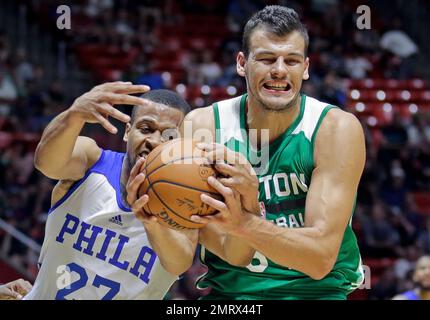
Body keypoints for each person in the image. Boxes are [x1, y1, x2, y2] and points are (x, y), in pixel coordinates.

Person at [180, 5, 366, 300]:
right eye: (266, 59)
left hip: (315, 293)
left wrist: (246, 217)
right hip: (231, 296)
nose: (279, 70)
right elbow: (219, 247)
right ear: (242, 63)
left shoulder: (335, 129)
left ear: (305, 68)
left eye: (291, 61)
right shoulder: (202, 126)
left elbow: (319, 260)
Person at [25, 83, 198, 299]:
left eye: (169, 136)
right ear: (127, 131)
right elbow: (46, 163)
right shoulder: (91, 161)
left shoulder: (185, 203)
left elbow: (178, 263)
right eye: (145, 129)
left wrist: (151, 220)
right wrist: (74, 114)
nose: (154, 141)